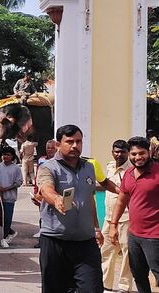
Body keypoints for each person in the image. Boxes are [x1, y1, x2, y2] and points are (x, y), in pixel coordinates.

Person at [36, 124, 103, 293]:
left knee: (92, 288)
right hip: (55, 241)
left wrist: (96, 228)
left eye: (79, 141)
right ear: (58, 144)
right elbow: (45, 189)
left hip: (86, 242)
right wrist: (57, 199)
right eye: (70, 141)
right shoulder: (48, 167)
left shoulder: (89, 167)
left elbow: (90, 199)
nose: (75, 145)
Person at [110, 136, 159, 293]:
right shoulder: (129, 173)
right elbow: (121, 201)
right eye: (134, 154)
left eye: (141, 153)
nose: (138, 157)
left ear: (149, 152)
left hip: (155, 236)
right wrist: (113, 225)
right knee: (138, 274)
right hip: (134, 235)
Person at [101, 140, 133, 293]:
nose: (119, 155)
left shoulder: (132, 170)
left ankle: (124, 287)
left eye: (122, 152)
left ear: (127, 152)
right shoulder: (109, 166)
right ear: (112, 152)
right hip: (108, 217)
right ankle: (105, 284)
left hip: (127, 218)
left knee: (127, 252)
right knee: (106, 251)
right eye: (116, 151)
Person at [0, 146, 23, 248]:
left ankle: (5, 238)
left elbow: (19, 182)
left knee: (7, 219)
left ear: (12, 156)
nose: (5, 156)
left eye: (8, 155)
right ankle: (11, 232)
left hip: (10, 198)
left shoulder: (16, 168)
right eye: (4, 154)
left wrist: (6, 189)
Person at [32, 139, 57, 248]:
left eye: (52, 148)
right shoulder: (41, 160)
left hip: (54, 194)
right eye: (48, 148)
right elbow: (37, 176)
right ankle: (42, 241)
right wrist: (35, 192)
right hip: (41, 194)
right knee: (43, 217)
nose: (50, 150)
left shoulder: (59, 161)